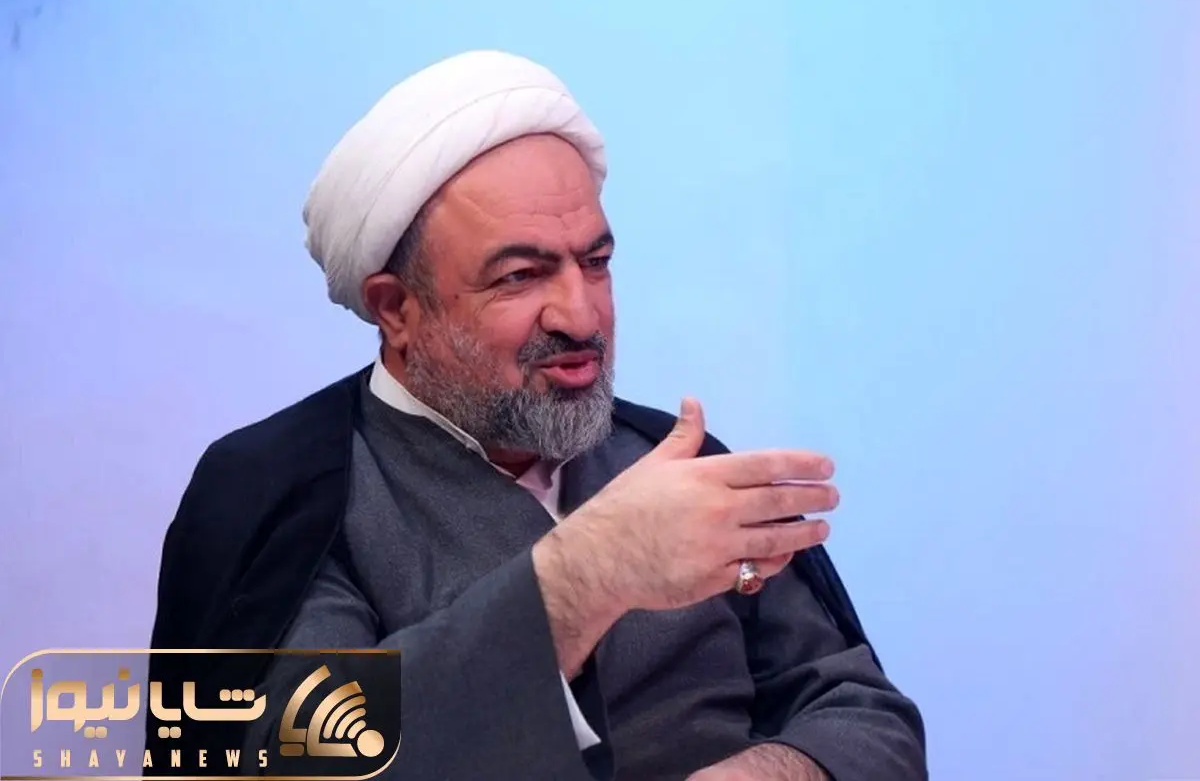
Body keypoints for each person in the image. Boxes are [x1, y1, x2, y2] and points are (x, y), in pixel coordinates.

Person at [148, 49, 927, 780]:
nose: (581, 316)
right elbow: (306, 756)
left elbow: (865, 715)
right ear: (397, 309)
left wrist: (769, 770)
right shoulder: (292, 490)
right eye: (521, 276)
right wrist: (583, 576)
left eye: (596, 262)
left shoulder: (661, 459)